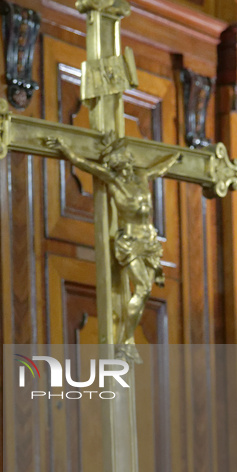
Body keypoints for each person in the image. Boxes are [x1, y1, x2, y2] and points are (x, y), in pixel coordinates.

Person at [47, 135, 180, 349]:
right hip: (130, 241)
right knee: (144, 288)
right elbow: (84, 164)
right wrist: (65, 148)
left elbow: (160, 169)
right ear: (115, 166)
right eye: (121, 163)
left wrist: (177, 157)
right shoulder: (113, 181)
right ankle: (126, 340)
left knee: (146, 289)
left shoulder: (142, 176)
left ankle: (126, 339)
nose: (126, 166)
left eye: (127, 162)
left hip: (150, 241)